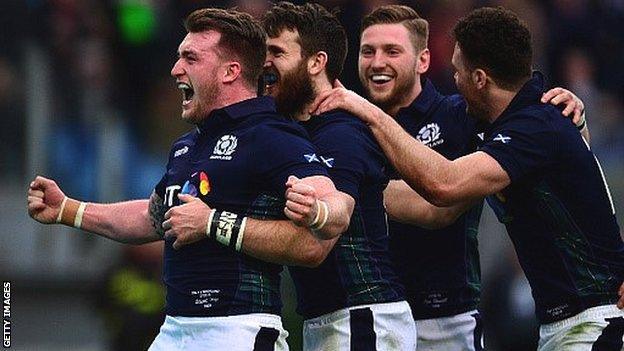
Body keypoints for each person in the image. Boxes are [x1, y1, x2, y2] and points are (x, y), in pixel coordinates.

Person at [27, 7, 354, 351]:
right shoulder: (188, 145)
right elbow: (152, 218)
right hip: (175, 328)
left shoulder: (271, 135)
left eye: (190, 58)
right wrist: (68, 209)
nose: (175, 69)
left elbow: (329, 217)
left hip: (238, 329)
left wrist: (214, 222)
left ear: (230, 71)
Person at [312, 6, 624, 351]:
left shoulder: (524, 124)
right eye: (367, 51)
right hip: (565, 322)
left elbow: (443, 189)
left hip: (590, 319)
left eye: (458, 71)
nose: (454, 80)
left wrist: (362, 126)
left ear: (478, 78)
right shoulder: (523, 121)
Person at [164, 2, 415, 350]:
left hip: (361, 317)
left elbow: (326, 228)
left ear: (316, 62)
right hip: (327, 318)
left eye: (277, 52)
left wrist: (214, 222)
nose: (264, 63)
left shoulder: (338, 133)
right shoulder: (290, 133)